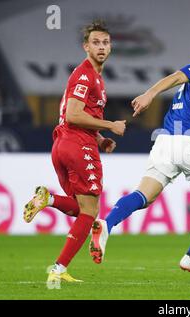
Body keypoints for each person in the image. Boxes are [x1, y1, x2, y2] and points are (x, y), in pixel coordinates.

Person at [89, 20, 190, 279]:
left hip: (166, 141)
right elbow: (177, 76)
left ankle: (107, 224)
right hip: (187, 143)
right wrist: (150, 94)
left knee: (144, 195)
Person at [22, 20, 126, 284]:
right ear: (86, 46)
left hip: (65, 144)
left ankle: (49, 200)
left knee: (83, 209)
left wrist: (101, 138)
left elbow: (80, 115)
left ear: (110, 46)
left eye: (105, 43)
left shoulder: (95, 77)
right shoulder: (85, 74)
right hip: (76, 144)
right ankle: (58, 269)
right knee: (90, 212)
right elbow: (73, 114)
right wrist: (110, 125)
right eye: (96, 43)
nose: (101, 47)